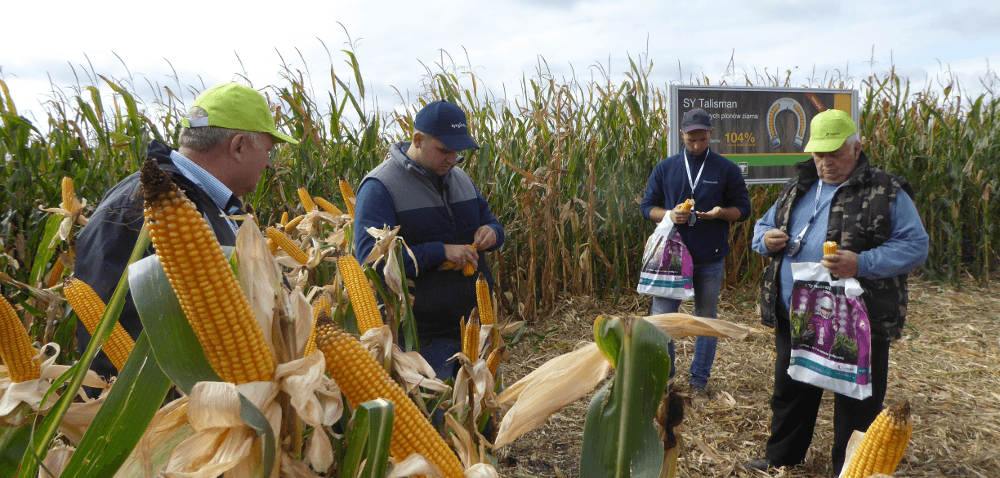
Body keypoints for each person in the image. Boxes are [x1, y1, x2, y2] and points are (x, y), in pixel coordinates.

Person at [75, 83, 298, 383]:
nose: (270, 163)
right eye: (269, 150)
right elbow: (121, 342)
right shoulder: (147, 208)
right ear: (239, 146)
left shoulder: (214, 205)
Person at [745, 109, 928, 473]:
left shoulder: (886, 191)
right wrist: (765, 239)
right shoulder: (797, 186)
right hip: (797, 315)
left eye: (834, 153)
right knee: (791, 388)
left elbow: (915, 246)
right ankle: (781, 457)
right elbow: (762, 226)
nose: (825, 162)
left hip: (857, 320)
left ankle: (849, 469)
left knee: (856, 400)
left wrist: (860, 263)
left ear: (857, 149)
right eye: (818, 154)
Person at [353, 99, 505, 380]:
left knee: (484, 417)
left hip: (474, 326)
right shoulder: (380, 187)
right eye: (444, 150)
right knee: (440, 416)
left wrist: (493, 233)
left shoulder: (460, 179)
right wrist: (441, 252)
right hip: (422, 338)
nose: (452, 159)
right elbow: (370, 263)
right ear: (418, 140)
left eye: (458, 152)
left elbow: (492, 222)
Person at [640, 108, 752, 396]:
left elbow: (743, 210)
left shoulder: (725, 169)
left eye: (702, 139)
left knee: (706, 320)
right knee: (662, 323)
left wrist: (720, 213)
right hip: (670, 260)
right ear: (682, 134)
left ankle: (699, 382)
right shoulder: (666, 168)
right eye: (691, 140)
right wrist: (668, 214)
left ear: (710, 134)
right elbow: (646, 207)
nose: (697, 145)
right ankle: (666, 383)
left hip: (709, 257)